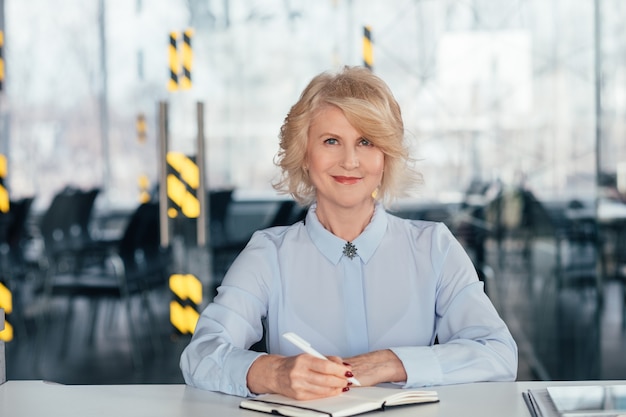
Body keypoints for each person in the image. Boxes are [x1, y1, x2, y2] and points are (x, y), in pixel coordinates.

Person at [180, 66, 518, 400]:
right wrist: (275, 373)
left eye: (366, 142)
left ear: (385, 157)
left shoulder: (434, 247)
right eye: (331, 141)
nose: (350, 160)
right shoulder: (268, 254)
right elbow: (201, 356)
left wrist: (392, 363)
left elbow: (498, 353)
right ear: (305, 155)